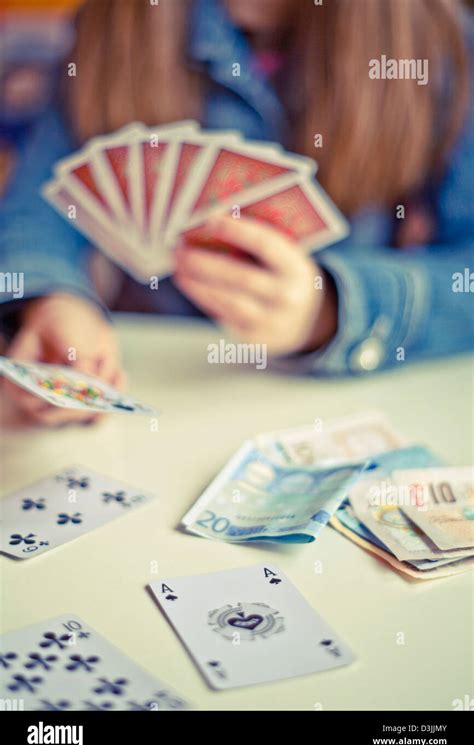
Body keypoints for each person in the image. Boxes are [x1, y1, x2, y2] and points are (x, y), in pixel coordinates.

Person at [0, 0, 473, 426]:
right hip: (148, 395)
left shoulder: (440, 43)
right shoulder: (109, 26)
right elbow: (39, 208)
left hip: (336, 406)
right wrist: (54, 299)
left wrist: (330, 310)